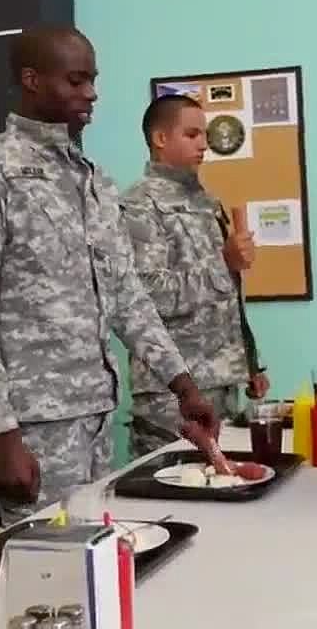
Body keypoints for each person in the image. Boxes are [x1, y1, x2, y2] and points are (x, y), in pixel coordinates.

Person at [0, 25, 219, 524]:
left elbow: (127, 296)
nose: (91, 93)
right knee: (47, 563)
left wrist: (183, 384)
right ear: (31, 80)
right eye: (76, 80)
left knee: (97, 552)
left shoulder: (91, 179)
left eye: (93, 80)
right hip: (32, 425)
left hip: (95, 415)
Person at [120, 94, 269, 457]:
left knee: (223, 483)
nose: (204, 144)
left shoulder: (206, 202)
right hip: (172, 392)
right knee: (173, 483)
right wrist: (223, 263)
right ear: (160, 138)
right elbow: (147, 295)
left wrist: (249, 361)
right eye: (191, 134)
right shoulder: (139, 204)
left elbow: (227, 294)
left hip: (223, 381)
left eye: (204, 134)